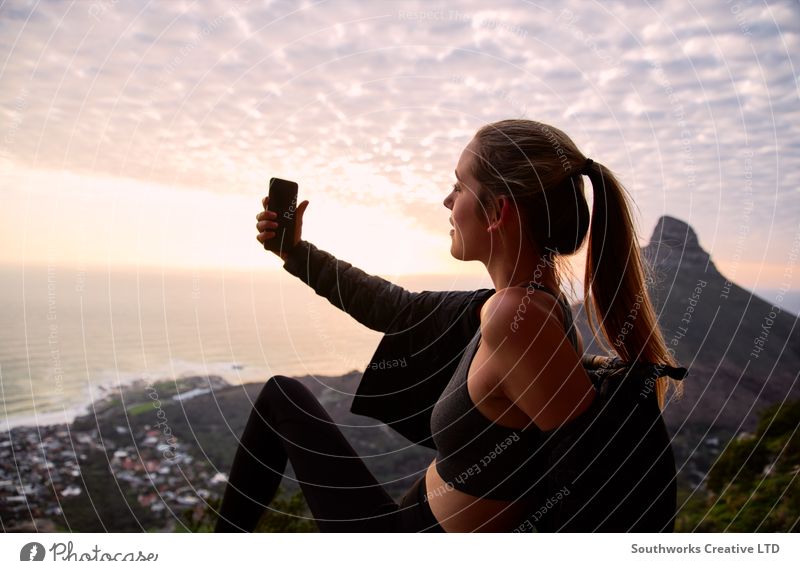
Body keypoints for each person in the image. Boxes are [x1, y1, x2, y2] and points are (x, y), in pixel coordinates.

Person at [214, 118, 685, 533]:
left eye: (459, 186)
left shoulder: (517, 322)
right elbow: (396, 308)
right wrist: (295, 254)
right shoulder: (514, 306)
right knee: (282, 396)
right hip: (406, 523)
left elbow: (592, 487)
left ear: (497, 211)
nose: (447, 199)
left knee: (279, 396)